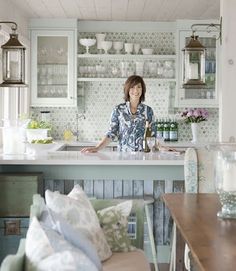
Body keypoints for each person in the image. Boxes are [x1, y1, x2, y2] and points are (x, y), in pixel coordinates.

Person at [81, 75, 156, 153]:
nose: (136, 90)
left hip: (143, 156)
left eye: (139, 87)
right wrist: (97, 148)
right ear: (127, 89)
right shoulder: (118, 110)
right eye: (132, 87)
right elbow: (111, 133)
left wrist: (161, 147)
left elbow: (153, 135)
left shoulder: (148, 111)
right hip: (123, 156)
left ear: (142, 89)